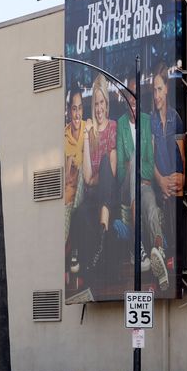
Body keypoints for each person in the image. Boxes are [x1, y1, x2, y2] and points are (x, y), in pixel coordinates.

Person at [115, 74, 168, 290]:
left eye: (136, 96)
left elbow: (150, 162)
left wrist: (136, 167)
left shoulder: (147, 122)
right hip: (126, 190)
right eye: (129, 96)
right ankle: (138, 246)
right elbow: (120, 169)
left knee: (152, 209)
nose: (132, 101)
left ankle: (158, 252)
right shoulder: (120, 124)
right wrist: (135, 166)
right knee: (135, 160)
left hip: (145, 186)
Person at [77, 74, 117, 278]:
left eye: (102, 102)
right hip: (92, 198)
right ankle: (89, 268)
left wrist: (95, 178)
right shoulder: (90, 132)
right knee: (81, 212)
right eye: (96, 103)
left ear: (107, 104)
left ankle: (104, 228)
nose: (99, 108)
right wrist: (85, 135)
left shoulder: (113, 127)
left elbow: (111, 169)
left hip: (109, 197)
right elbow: (86, 177)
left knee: (103, 162)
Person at [151, 61, 185, 272]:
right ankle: (166, 255)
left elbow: (182, 156)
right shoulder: (151, 121)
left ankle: (172, 258)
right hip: (159, 181)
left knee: (174, 201)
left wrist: (179, 178)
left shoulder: (176, 119)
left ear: (167, 89)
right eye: (154, 90)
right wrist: (161, 181)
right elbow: (149, 158)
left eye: (160, 89)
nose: (156, 95)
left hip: (175, 183)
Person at [64, 86, 85, 276]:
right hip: (69, 194)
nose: (77, 113)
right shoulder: (64, 136)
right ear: (69, 110)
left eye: (80, 108)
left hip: (85, 185)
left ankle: (74, 250)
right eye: (74, 108)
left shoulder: (89, 128)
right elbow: (66, 178)